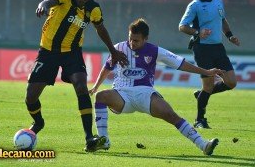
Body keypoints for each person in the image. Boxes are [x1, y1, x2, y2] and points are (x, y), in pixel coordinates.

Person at [89, 18, 223, 155]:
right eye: (130, 38)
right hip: (122, 94)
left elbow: (181, 64)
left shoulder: (155, 51)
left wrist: (206, 72)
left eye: (136, 40)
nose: (132, 43)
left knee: (171, 115)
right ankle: (103, 139)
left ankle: (203, 145)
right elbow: (107, 68)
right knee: (101, 96)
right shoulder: (118, 48)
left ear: (145, 39)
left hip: (145, 94)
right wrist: (95, 86)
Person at [25, 0, 128, 152]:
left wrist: (113, 50)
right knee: (31, 97)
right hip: (48, 51)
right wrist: (43, 4)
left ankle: (89, 138)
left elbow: (100, 28)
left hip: (72, 53)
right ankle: (39, 122)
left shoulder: (93, 8)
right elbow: (50, 0)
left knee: (81, 86)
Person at [179, 0, 240, 129]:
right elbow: (182, 26)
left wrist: (230, 36)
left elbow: (222, 19)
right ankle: (199, 119)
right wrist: (198, 32)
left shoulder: (218, 2)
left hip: (218, 48)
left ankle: (202, 96)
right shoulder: (195, 5)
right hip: (202, 49)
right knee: (208, 86)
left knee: (231, 82)